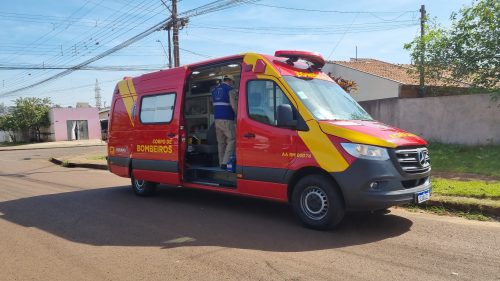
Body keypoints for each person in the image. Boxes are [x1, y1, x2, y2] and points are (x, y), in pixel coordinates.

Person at [211, 76, 237, 169]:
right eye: (232, 82)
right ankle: (225, 163)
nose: (232, 84)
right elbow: (233, 105)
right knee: (232, 139)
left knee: (221, 142)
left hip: (217, 119)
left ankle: (220, 162)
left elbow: (213, 104)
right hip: (227, 119)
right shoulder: (230, 90)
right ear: (229, 81)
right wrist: (238, 114)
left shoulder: (214, 90)